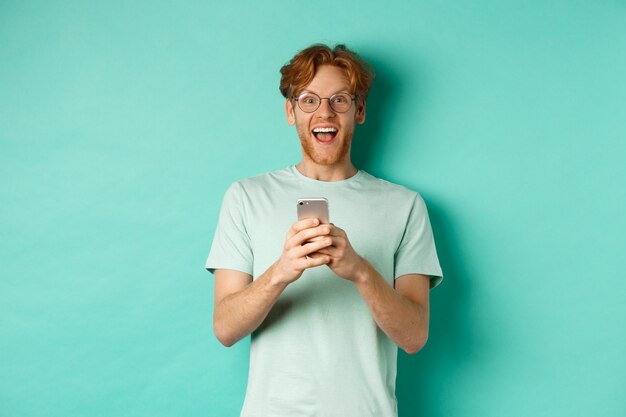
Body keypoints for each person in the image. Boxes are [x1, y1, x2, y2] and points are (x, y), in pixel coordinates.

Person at [206, 43, 443, 417]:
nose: (325, 112)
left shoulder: (405, 205)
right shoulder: (246, 197)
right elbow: (225, 329)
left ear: (359, 110)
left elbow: (414, 337)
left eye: (340, 100)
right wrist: (281, 271)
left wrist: (360, 271)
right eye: (309, 100)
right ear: (291, 111)